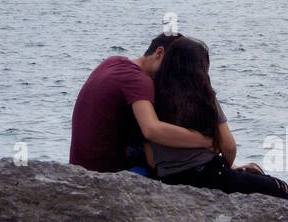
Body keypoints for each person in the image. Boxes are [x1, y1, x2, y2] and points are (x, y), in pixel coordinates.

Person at [146, 36, 288, 198]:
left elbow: (151, 159)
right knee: (281, 188)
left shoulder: (150, 97)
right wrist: (227, 168)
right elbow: (229, 147)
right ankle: (246, 170)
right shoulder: (204, 97)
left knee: (250, 179)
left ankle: (246, 171)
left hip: (170, 179)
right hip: (211, 176)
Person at [69, 33, 218, 173]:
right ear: (159, 53)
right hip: (106, 171)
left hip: (79, 164)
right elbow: (152, 130)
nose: (174, 73)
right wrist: (206, 141)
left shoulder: (113, 62)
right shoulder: (140, 81)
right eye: (172, 65)